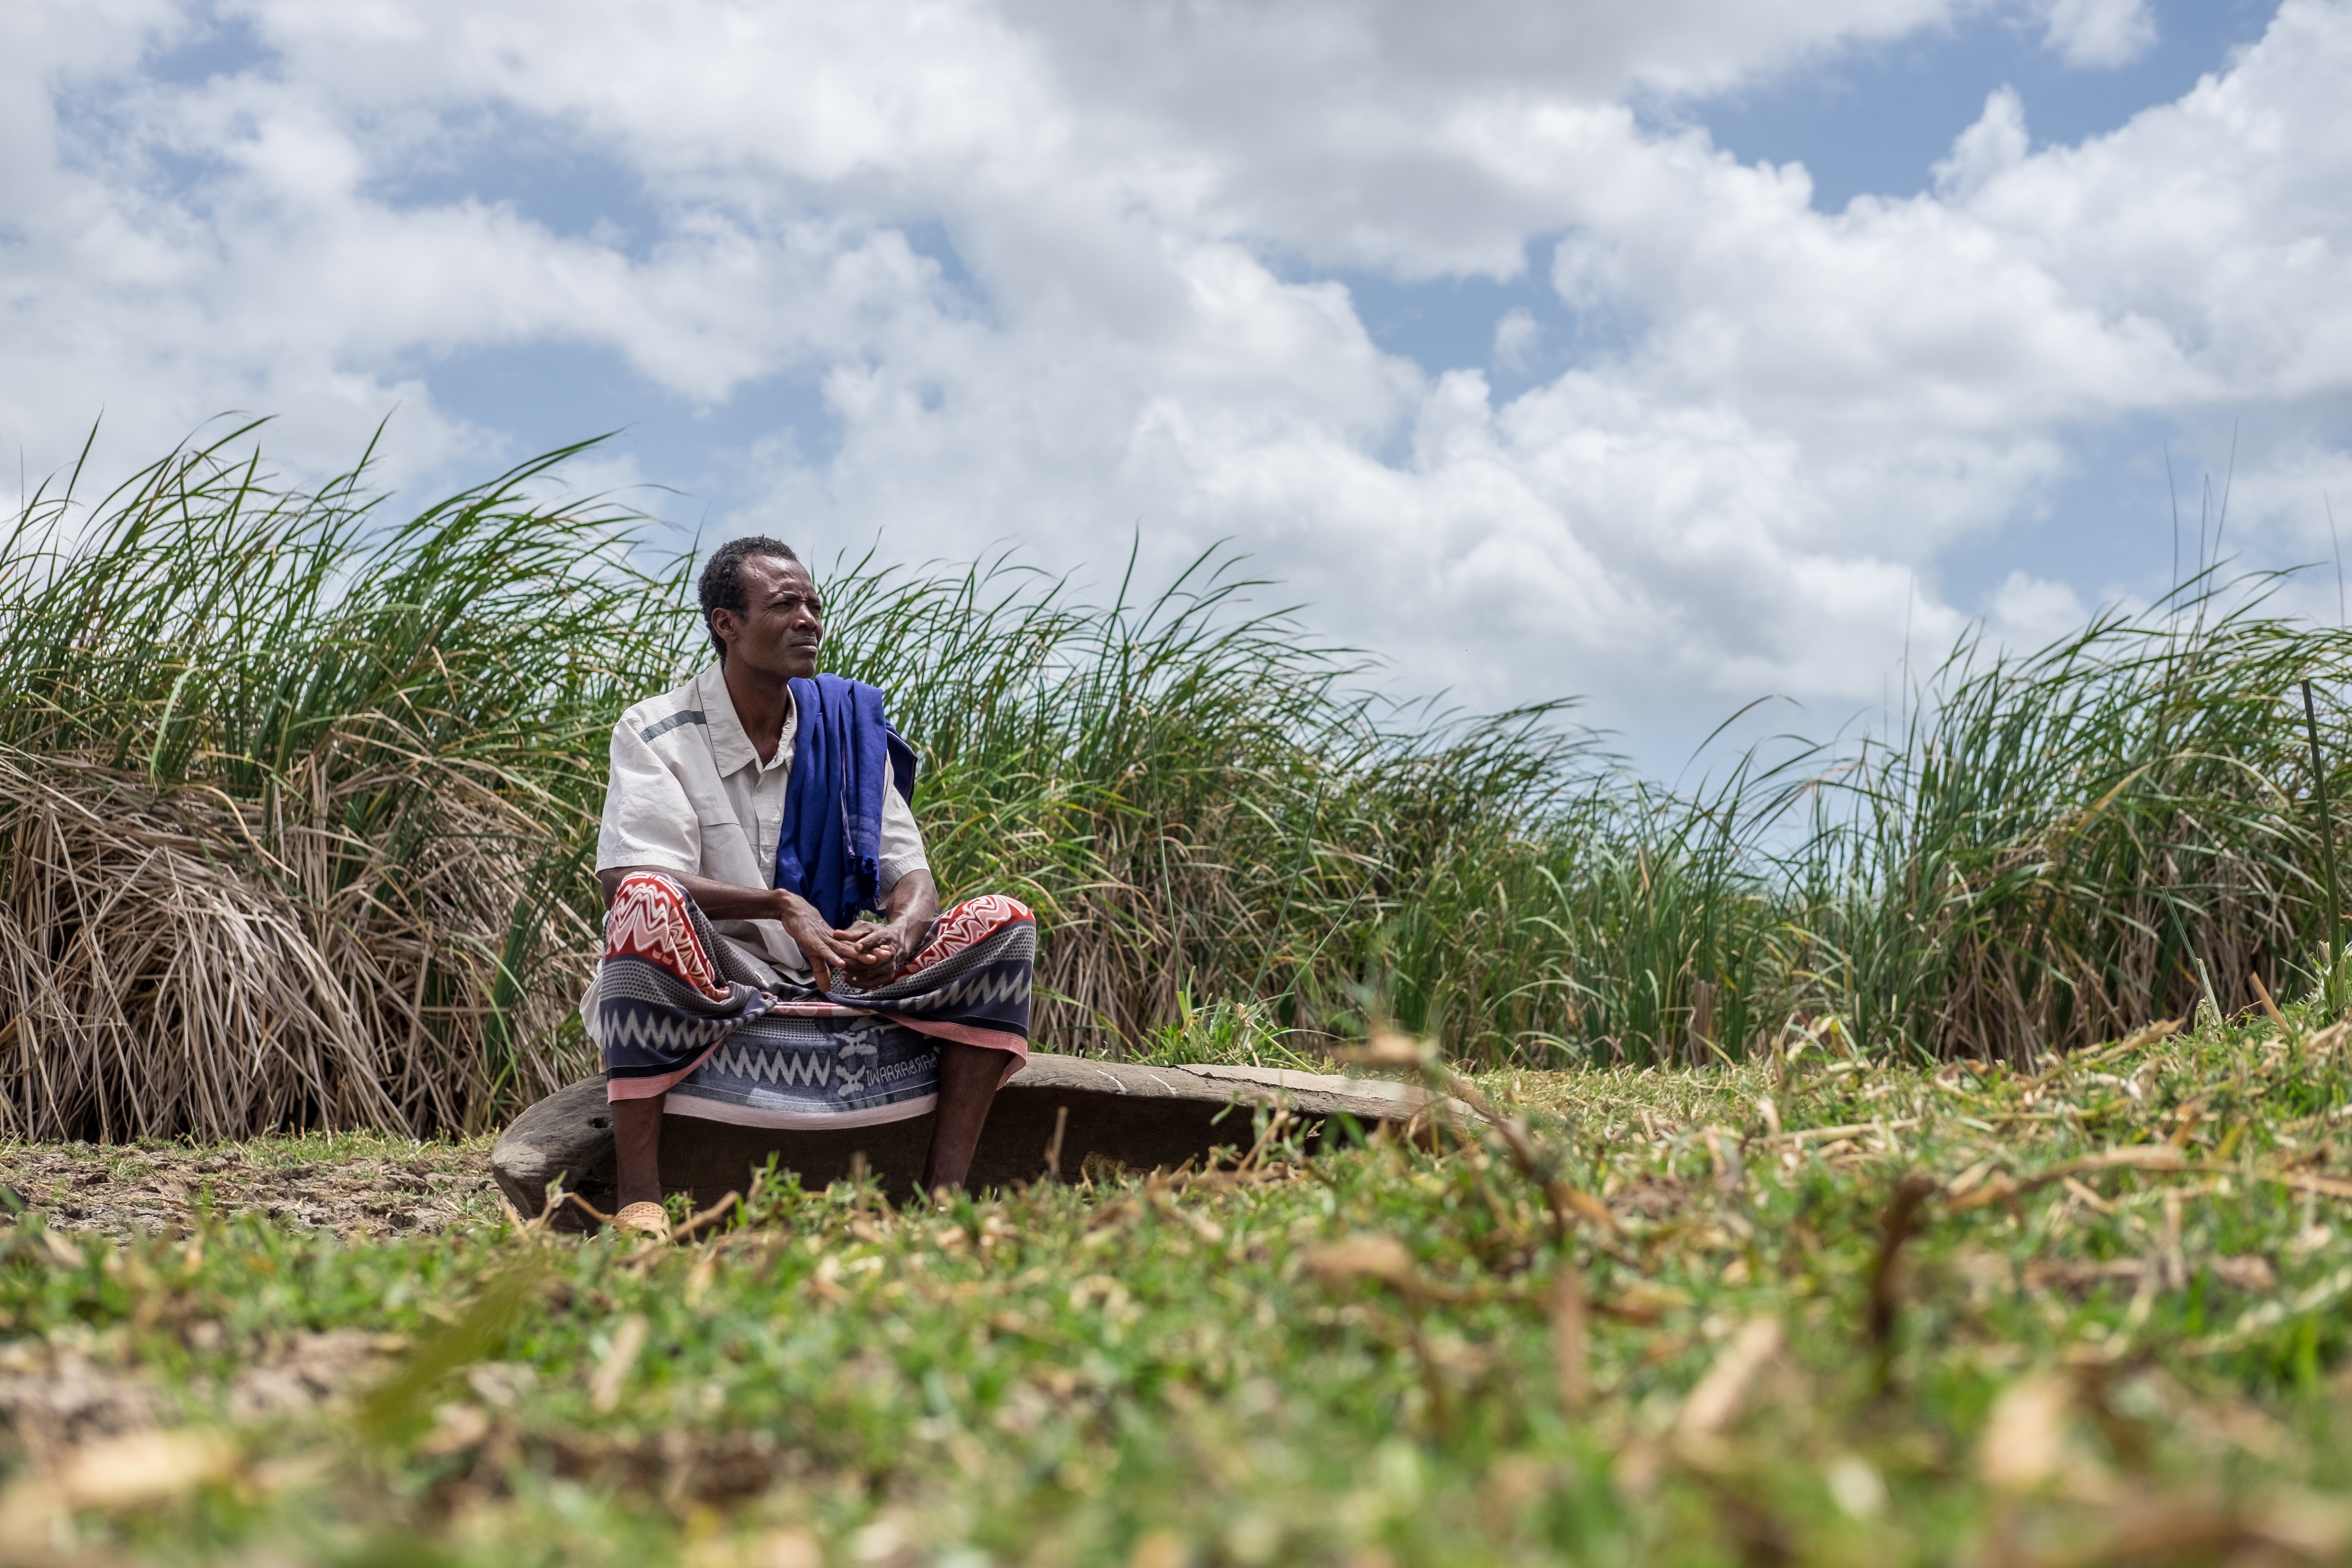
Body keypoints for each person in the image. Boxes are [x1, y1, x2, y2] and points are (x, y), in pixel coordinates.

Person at [581, 536, 1035, 1239]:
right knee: (645, 900)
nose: (809, 621)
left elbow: (911, 875)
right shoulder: (658, 730)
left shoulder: (849, 731)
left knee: (1006, 921)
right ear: (725, 624)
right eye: (785, 604)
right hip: (718, 978)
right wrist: (778, 904)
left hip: (835, 973)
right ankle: (642, 1197)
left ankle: (945, 1200)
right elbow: (627, 874)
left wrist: (900, 931)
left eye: (814, 606)